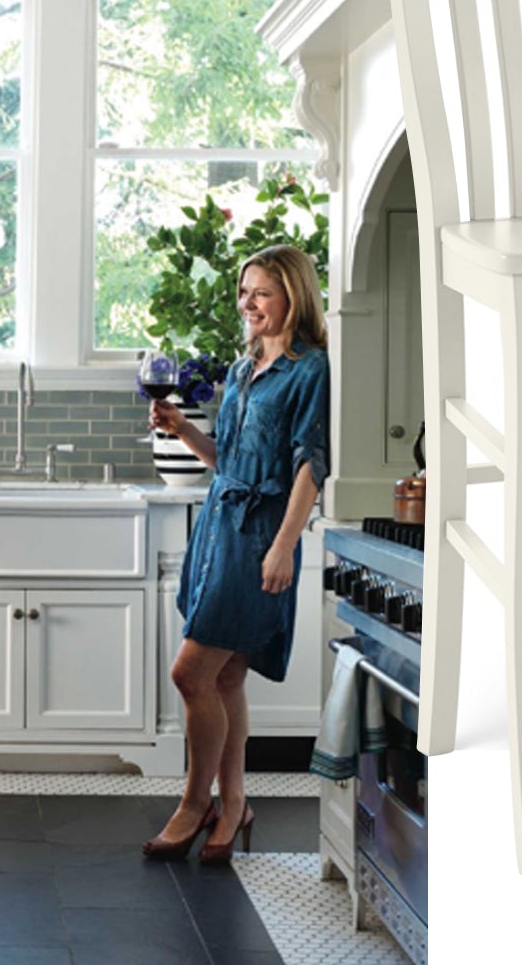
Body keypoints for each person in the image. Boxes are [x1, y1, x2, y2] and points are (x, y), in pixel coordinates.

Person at [143, 245, 329, 864]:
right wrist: (184, 431)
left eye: (262, 292)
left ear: (293, 297)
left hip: (259, 539)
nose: (248, 303)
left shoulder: (311, 370)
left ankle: (194, 805)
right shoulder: (245, 365)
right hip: (219, 527)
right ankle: (236, 803)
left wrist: (283, 546)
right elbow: (231, 460)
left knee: (188, 673)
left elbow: (311, 466)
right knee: (223, 677)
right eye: (244, 291)